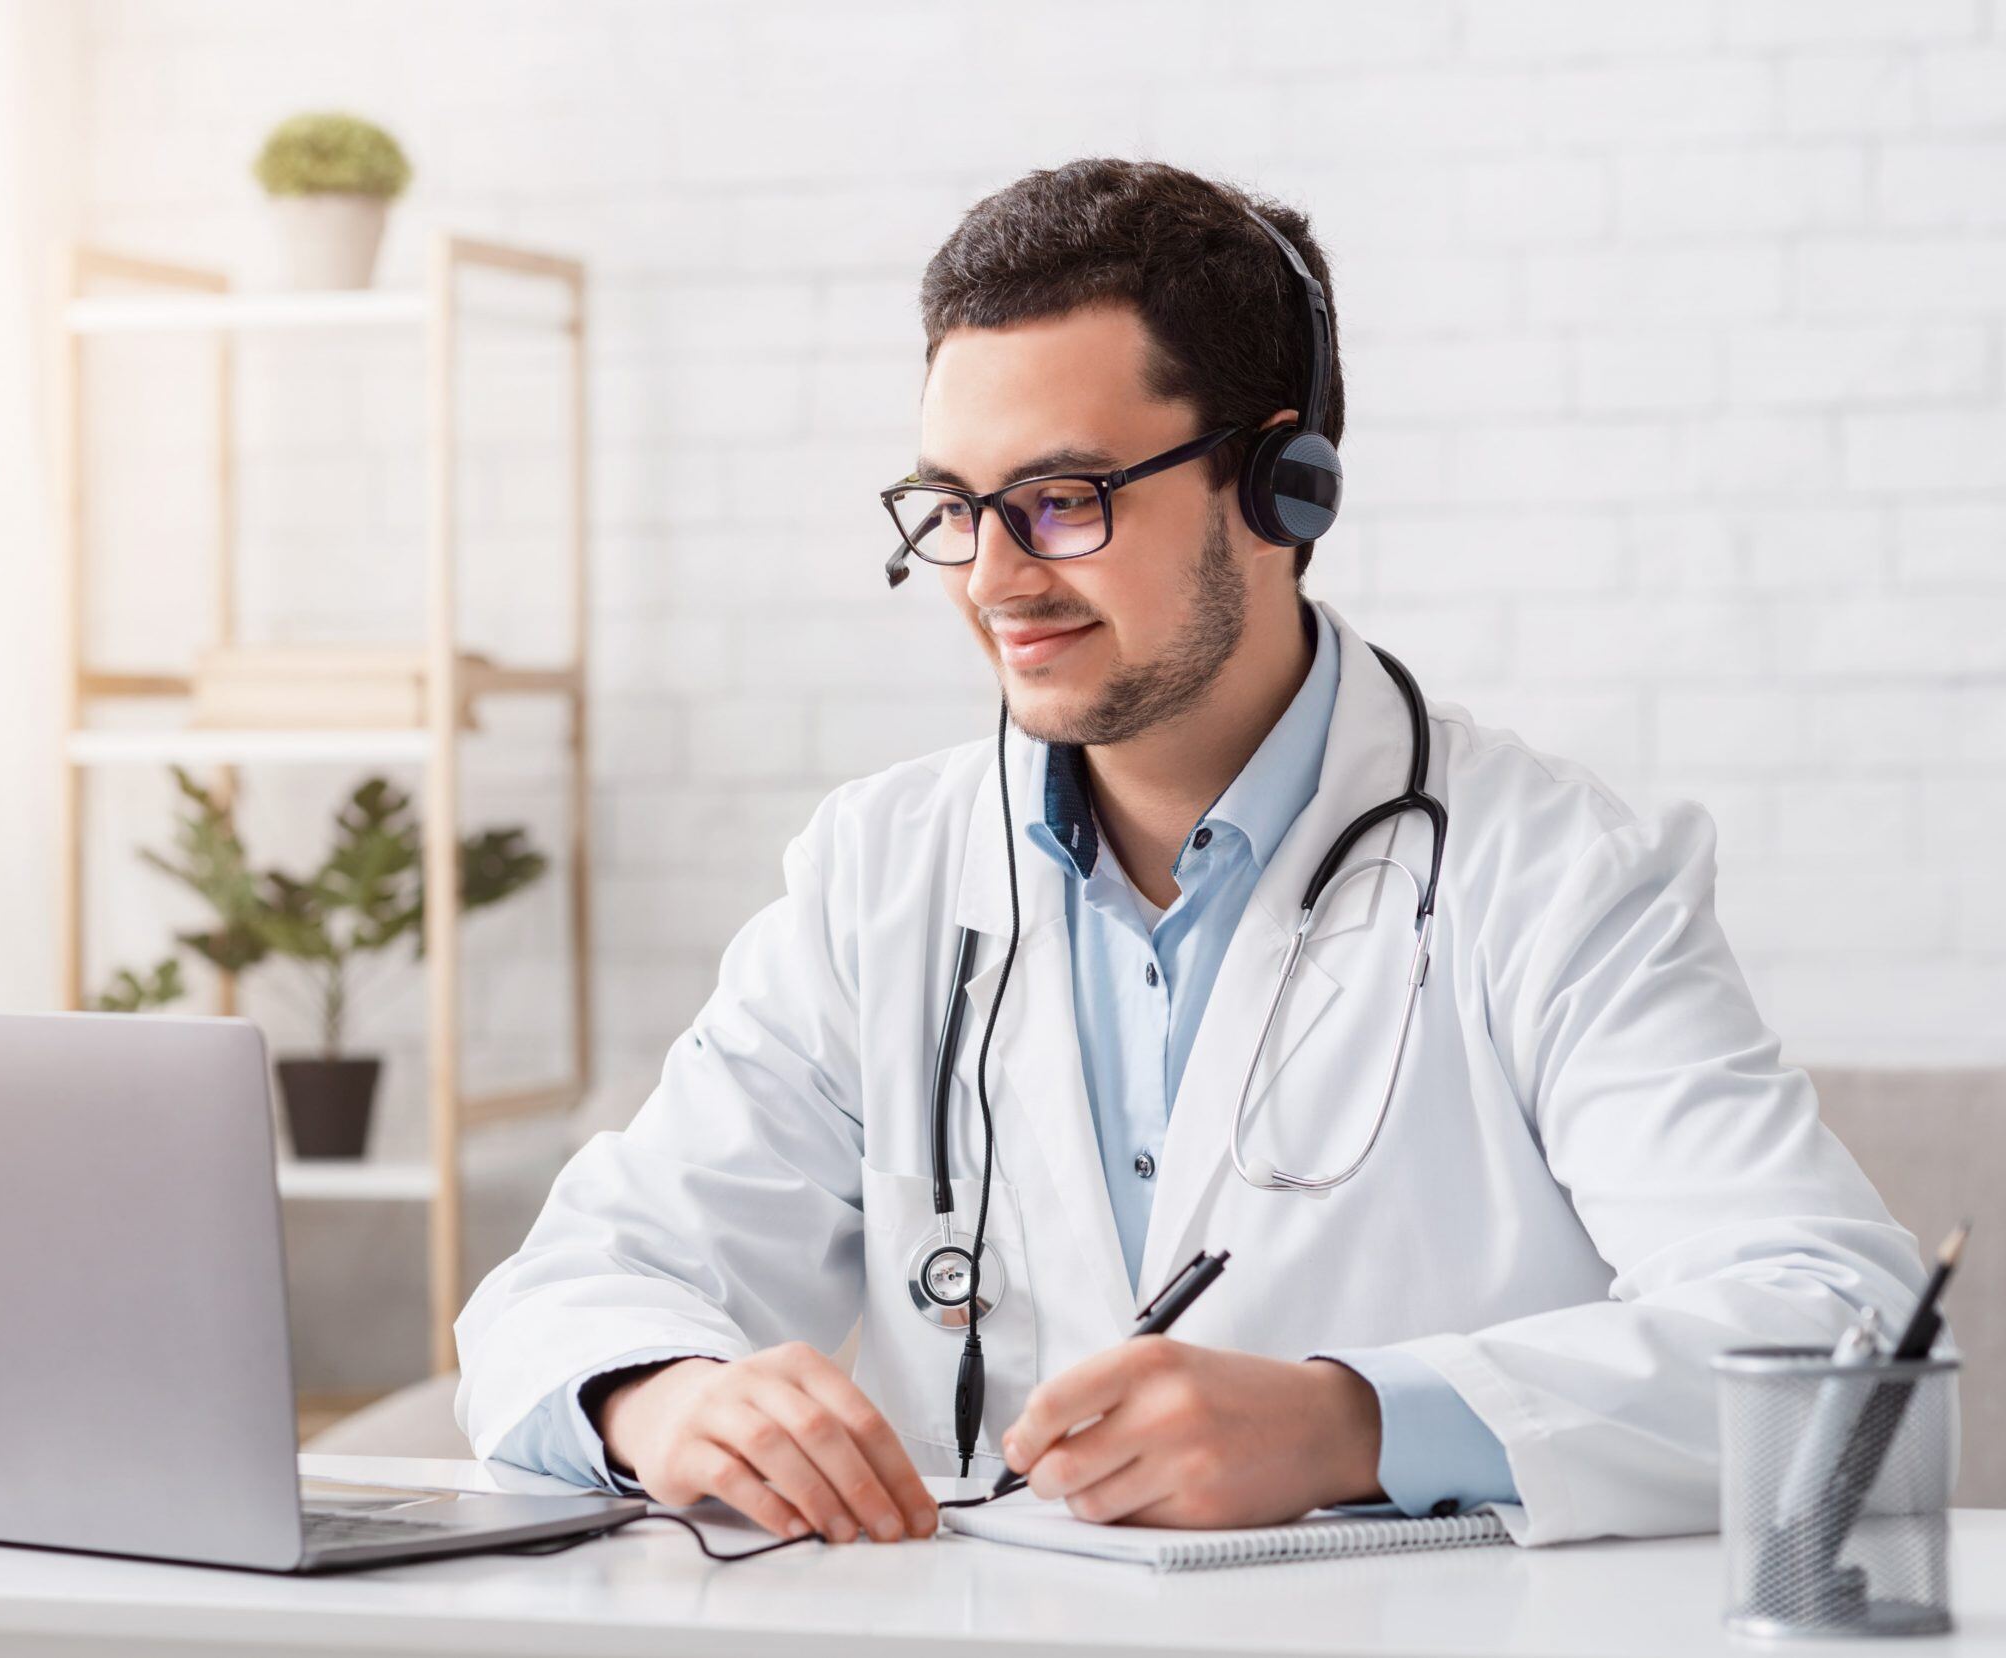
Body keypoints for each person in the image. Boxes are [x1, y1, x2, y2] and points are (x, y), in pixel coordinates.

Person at [453, 158, 1922, 1549]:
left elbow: (1848, 1348)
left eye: (1061, 500)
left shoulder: (1559, 875)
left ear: (1286, 489)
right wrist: (660, 1396)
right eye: (952, 509)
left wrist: (1360, 1423)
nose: (993, 577)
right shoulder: (877, 874)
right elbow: (566, 1291)